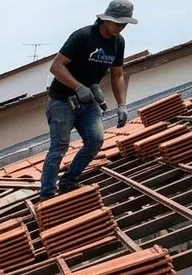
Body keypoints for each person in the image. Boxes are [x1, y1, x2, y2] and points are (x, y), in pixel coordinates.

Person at [40, 0, 134, 200]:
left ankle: (69, 181)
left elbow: (117, 74)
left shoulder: (119, 42)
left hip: (88, 102)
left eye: (124, 24)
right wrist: (78, 87)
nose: (120, 27)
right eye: (117, 23)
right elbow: (56, 67)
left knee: (95, 140)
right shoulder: (83, 36)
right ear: (105, 19)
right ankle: (47, 195)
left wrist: (122, 104)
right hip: (62, 100)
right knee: (59, 147)